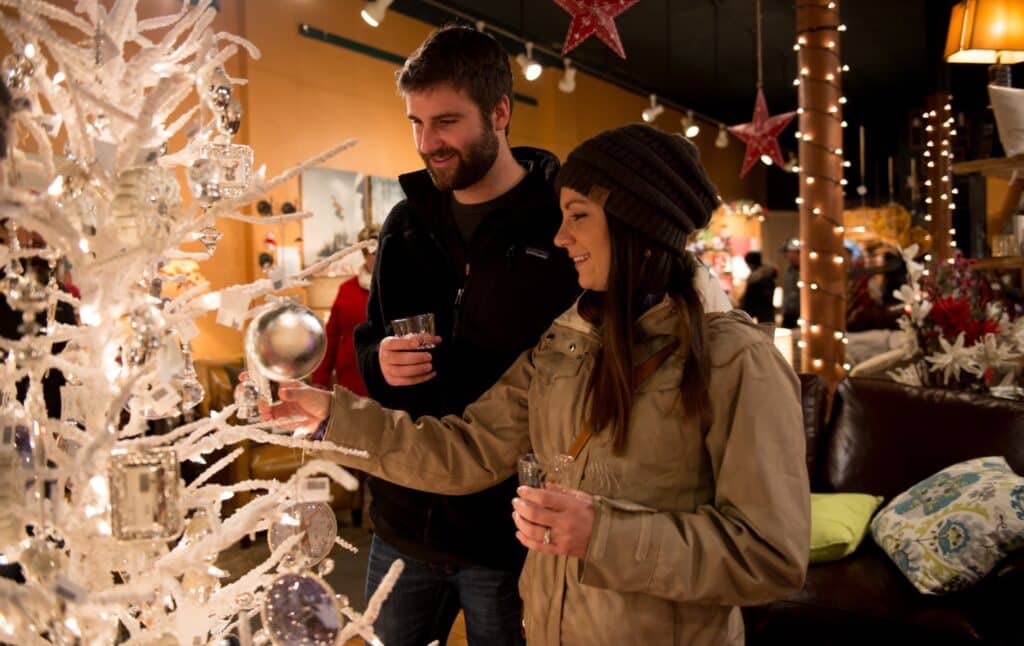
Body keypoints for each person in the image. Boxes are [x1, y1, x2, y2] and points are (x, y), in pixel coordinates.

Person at [262, 124, 809, 645]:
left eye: (577, 216)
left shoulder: (734, 361)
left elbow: (770, 556)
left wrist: (603, 536)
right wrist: (334, 415)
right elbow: (465, 449)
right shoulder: (563, 345)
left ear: (635, 223)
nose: (560, 236)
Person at [349, 25, 580, 646]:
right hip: (400, 522)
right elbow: (368, 334)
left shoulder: (561, 228)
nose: (429, 143)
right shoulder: (405, 223)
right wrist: (379, 363)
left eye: (446, 121)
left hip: (505, 536)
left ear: (499, 112)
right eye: (416, 124)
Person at [310, 224, 381, 395]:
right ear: (365, 255)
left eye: (383, 251)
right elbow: (331, 336)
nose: (379, 256)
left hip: (387, 379)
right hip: (351, 379)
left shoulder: (398, 288)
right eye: (373, 252)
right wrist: (320, 379)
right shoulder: (346, 290)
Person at [738, 250, 777, 324]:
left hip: (760, 315)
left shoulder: (755, 279)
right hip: (767, 313)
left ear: (751, 264)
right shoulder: (768, 274)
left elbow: (749, 302)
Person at [780, 237, 801, 328]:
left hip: (800, 315)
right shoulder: (790, 270)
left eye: (787, 253)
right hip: (789, 313)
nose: (786, 257)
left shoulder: (807, 271)